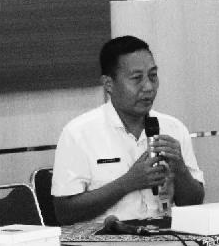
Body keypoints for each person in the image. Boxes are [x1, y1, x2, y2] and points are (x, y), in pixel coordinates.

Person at [51, 36, 204, 224]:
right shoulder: (78, 133)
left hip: (167, 235)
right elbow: (65, 213)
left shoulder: (173, 128)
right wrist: (128, 183)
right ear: (109, 84)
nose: (148, 87)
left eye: (153, 76)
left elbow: (194, 203)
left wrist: (180, 170)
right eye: (137, 78)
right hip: (106, 239)